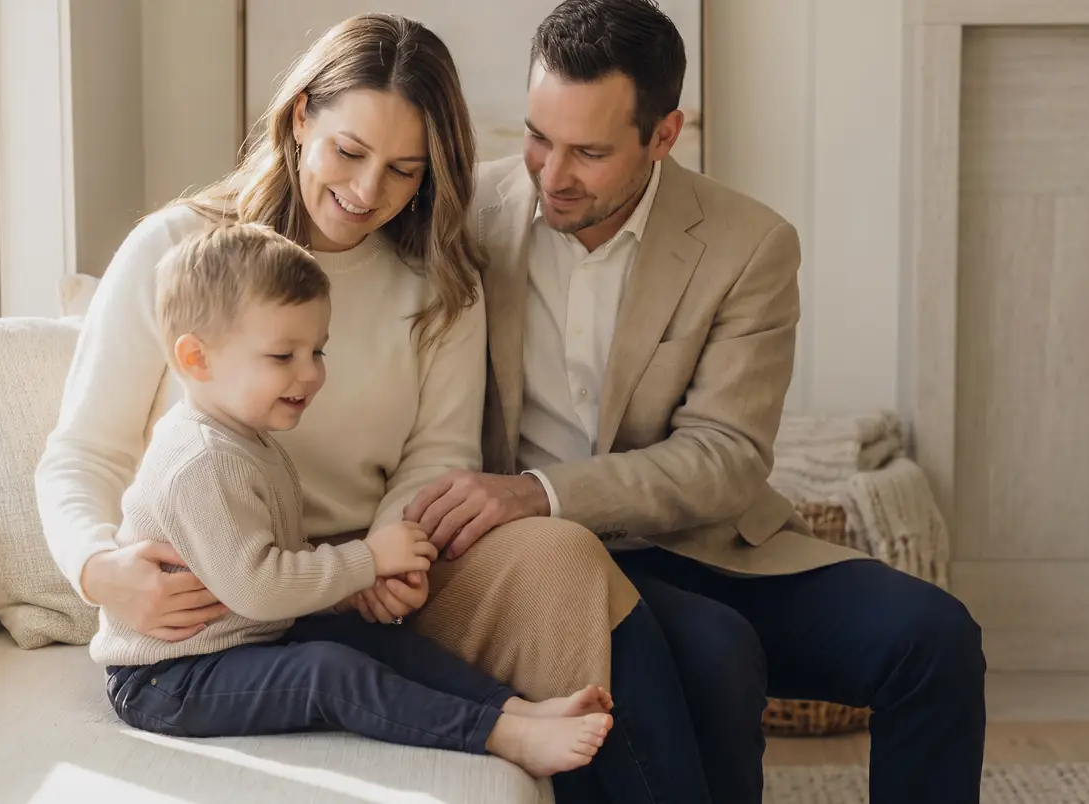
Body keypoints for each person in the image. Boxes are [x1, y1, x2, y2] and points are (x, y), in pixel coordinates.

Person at [36, 12, 712, 803]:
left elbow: (437, 455)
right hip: (224, 597)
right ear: (300, 119)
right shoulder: (178, 252)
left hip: (381, 569)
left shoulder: (439, 285)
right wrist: (97, 570)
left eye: (404, 170)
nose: (367, 193)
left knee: (584, 575)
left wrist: (391, 552)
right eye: (350, 153)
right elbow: (83, 453)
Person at [406, 1, 989, 802]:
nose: (552, 173)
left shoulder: (749, 243)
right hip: (552, 565)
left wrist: (537, 492)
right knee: (718, 653)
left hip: (707, 542)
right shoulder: (463, 219)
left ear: (664, 135)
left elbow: (725, 458)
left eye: (590, 151)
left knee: (934, 636)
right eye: (539, 136)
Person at [94, 222, 613, 775]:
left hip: (244, 642)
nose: (311, 374)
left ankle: (513, 708)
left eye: (317, 350)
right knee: (327, 671)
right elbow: (258, 588)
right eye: (282, 356)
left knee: (369, 639)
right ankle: (498, 734)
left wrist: (342, 595)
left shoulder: (245, 439)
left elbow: (274, 570)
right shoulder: (201, 461)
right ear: (197, 360)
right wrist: (368, 560)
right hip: (169, 678)